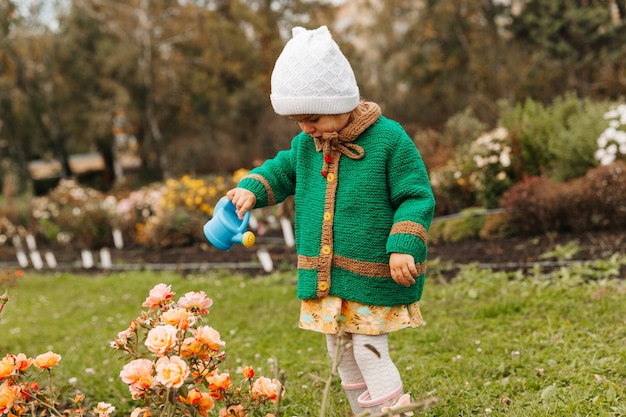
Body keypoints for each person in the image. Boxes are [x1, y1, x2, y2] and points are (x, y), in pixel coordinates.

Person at [226, 25, 435, 416]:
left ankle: (393, 413)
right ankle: (364, 412)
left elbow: (415, 196)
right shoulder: (308, 145)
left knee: (369, 351)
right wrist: (252, 189)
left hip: (371, 271)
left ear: (342, 100)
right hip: (327, 278)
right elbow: (282, 171)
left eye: (313, 117)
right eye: (297, 121)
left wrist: (403, 244)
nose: (306, 128)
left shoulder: (389, 140)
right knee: (339, 353)